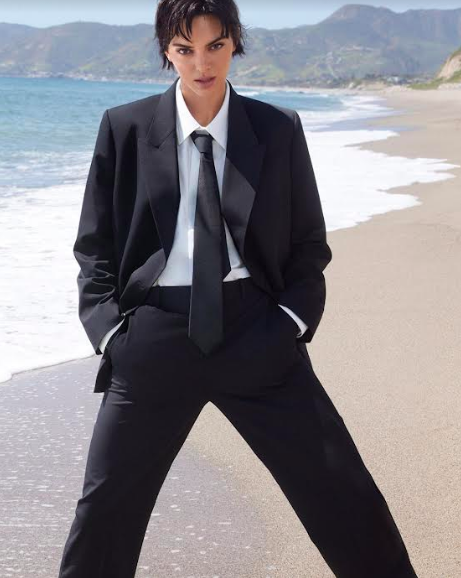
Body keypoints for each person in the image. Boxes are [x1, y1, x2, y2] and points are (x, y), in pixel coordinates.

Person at [58, 0, 418, 576]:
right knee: (103, 514)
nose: (201, 64)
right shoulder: (125, 128)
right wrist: (110, 336)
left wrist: (290, 322)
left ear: (235, 44)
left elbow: (308, 243)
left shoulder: (276, 129)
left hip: (257, 333)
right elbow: (93, 245)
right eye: (185, 50)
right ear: (166, 50)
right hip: (153, 340)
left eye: (215, 46)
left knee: (343, 492)